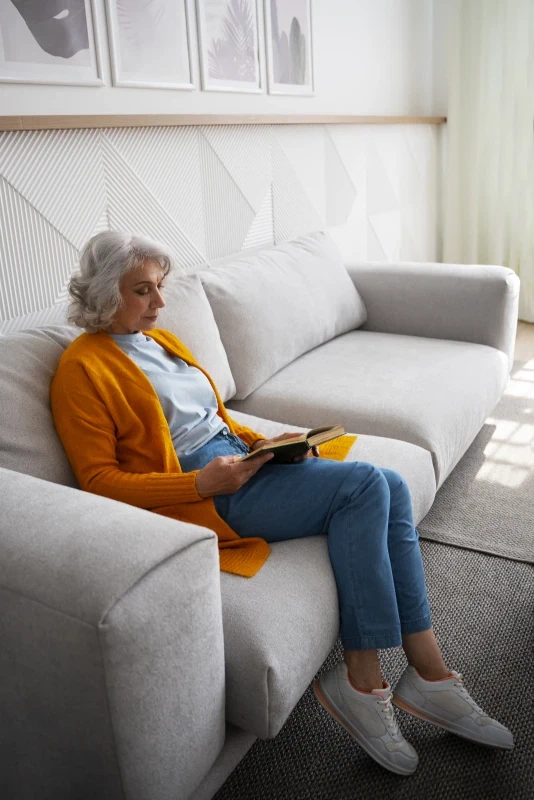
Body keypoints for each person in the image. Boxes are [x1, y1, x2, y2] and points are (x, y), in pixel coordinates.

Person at [51, 231, 514, 777]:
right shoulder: (82, 369)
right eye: (142, 291)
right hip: (202, 493)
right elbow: (100, 482)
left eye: (160, 287)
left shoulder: (157, 342)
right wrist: (200, 487)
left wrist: (266, 445)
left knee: (386, 483)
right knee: (366, 486)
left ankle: (429, 677)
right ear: (105, 296)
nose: (160, 302)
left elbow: (212, 417)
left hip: (237, 463)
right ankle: (366, 681)